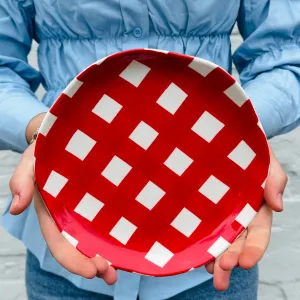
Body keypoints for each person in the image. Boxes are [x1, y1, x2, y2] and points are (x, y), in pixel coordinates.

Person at [0, 0, 296, 299]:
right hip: (67, 233)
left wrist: (238, 132)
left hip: (215, 237)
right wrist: (43, 133)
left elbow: (287, 55)